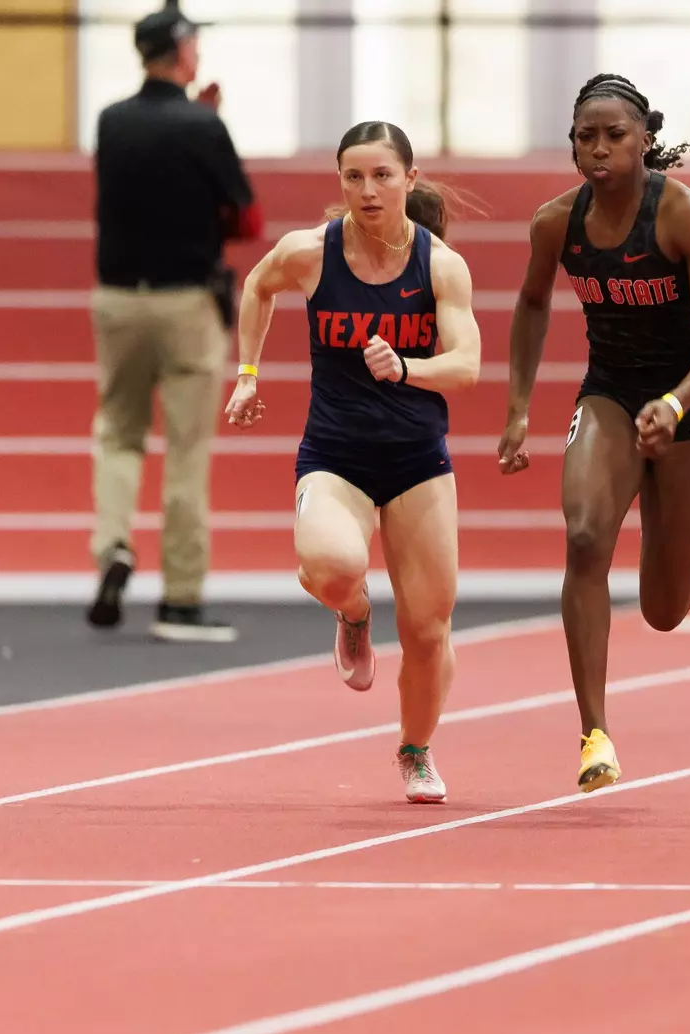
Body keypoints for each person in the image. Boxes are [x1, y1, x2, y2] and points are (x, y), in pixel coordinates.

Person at [222, 121, 482, 804]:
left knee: (428, 629)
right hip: (334, 456)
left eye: (382, 176)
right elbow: (256, 285)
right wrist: (247, 372)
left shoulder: (440, 266)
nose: (368, 191)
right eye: (354, 177)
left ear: (409, 180)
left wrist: (406, 367)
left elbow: (468, 366)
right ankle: (355, 613)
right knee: (331, 566)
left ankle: (415, 749)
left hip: (418, 462)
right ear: (340, 182)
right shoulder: (311, 253)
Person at [498, 73, 690, 793]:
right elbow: (532, 303)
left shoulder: (686, 216)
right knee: (581, 539)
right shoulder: (555, 223)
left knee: (665, 609)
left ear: (645, 141)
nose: (598, 150)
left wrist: (675, 402)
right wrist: (518, 407)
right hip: (608, 394)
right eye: (585, 138)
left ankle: (657, 522)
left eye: (614, 136)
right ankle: (594, 733)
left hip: (689, 405)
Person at [86, 5, 263, 641]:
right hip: (186, 301)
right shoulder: (202, 125)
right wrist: (208, 127)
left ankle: (113, 549)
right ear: (179, 50)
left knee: (117, 433)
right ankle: (181, 600)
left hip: (117, 299)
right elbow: (247, 221)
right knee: (187, 449)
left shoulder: (110, 121)